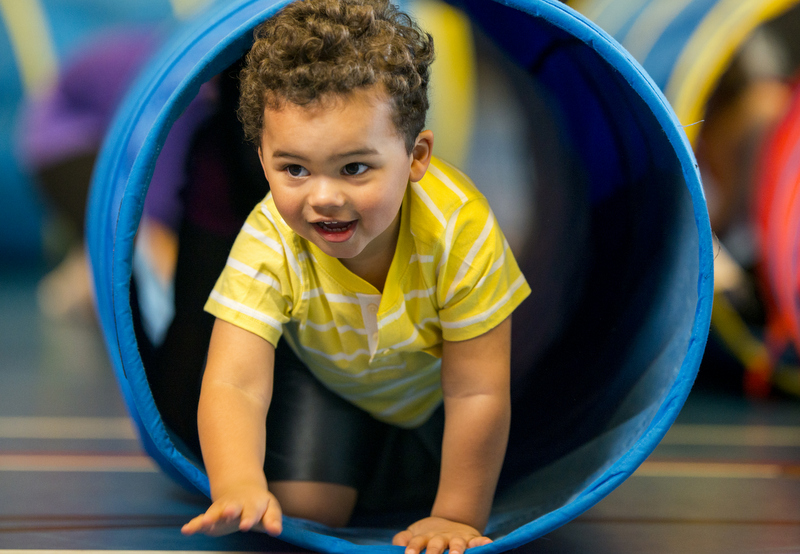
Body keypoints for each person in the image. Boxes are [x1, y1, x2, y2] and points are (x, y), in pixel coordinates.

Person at [181, 1, 531, 553]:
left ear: (415, 157)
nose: (324, 198)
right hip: (332, 382)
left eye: (354, 168)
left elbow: (477, 388)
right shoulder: (271, 237)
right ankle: (364, 464)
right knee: (304, 516)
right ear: (264, 157)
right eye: (293, 168)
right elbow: (234, 381)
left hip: (435, 394)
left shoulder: (458, 229)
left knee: (490, 475)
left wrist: (457, 515)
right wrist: (239, 484)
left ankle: (395, 466)